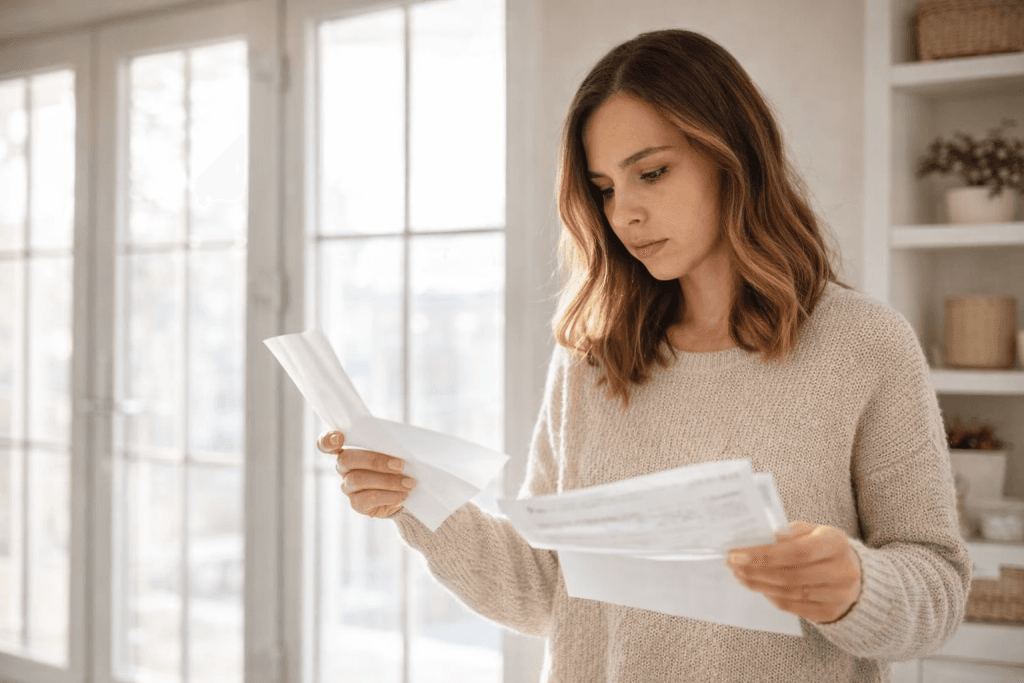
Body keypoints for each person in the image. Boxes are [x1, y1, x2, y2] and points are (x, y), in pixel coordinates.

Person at [316, 29, 971, 682]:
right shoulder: (591, 358)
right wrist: (418, 502)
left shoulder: (864, 345)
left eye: (651, 173)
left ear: (732, 155)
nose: (624, 213)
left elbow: (937, 585)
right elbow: (550, 590)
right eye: (603, 188)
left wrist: (856, 586)